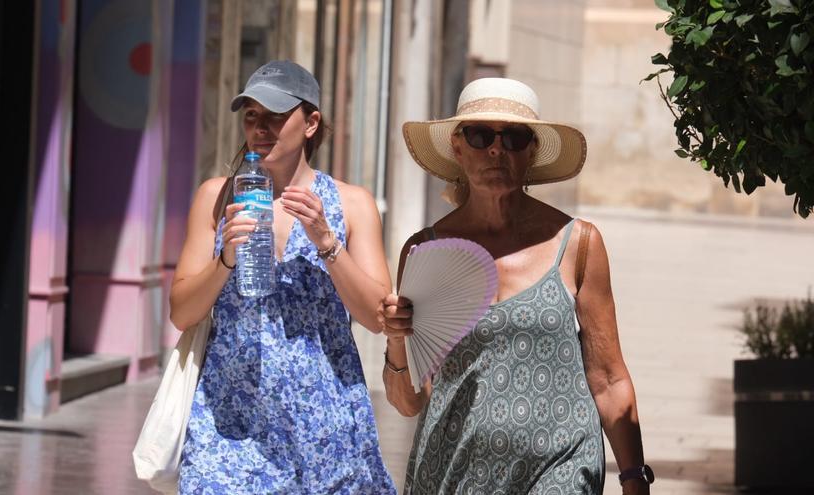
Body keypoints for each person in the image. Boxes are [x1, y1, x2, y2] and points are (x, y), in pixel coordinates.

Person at [379, 78, 652, 494]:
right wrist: (397, 342)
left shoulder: (578, 244)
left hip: (561, 465)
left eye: (514, 137)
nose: (496, 149)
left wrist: (634, 478)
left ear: (531, 151)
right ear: (457, 146)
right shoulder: (425, 252)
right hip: (453, 471)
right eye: (480, 135)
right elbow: (409, 400)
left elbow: (609, 379)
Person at [169, 60, 396, 494]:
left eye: (275, 115)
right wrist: (226, 258)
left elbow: (378, 316)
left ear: (311, 123)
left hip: (324, 425)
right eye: (251, 116)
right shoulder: (217, 198)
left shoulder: (350, 203)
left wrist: (327, 242)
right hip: (228, 425)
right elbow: (182, 312)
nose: (260, 128)